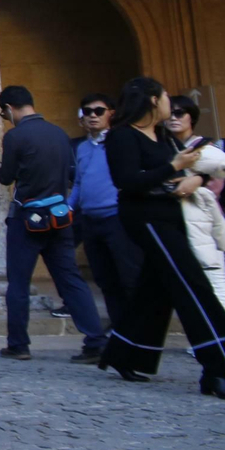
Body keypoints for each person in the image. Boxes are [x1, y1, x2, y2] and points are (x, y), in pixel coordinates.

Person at [99, 77, 225, 398]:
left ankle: (126, 353)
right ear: (153, 100)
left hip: (172, 213)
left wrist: (196, 178)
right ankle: (219, 366)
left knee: (155, 287)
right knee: (192, 283)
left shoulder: (163, 135)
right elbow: (127, 181)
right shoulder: (122, 136)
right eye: (167, 97)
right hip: (146, 217)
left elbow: (190, 168)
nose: (171, 102)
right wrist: (174, 166)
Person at [0, 85, 107, 363]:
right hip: (59, 216)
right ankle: (95, 341)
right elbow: (70, 173)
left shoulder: (15, 136)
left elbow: (6, 177)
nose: (5, 118)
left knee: (18, 283)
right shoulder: (59, 133)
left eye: (3, 113)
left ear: (8, 108)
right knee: (71, 279)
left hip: (26, 218)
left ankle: (19, 344)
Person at [68, 93, 145, 327]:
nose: (92, 115)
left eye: (98, 111)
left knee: (129, 275)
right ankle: (119, 326)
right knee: (105, 278)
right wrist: (68, 208)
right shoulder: (82, 148)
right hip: (90, 220)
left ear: (111, 113)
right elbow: (79, 182)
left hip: (117, 217)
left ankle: (138, 328)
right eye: (87, 111)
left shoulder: (120, 141)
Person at [163, 95, 225, 308]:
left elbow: (222, 171)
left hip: (202, 221)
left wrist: (199, 179)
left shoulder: (205, 148)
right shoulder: (162, 147)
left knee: (215, 283)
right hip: (171, 221)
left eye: (179, 113)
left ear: (191, 117)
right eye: (170, 113)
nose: (173, 118)